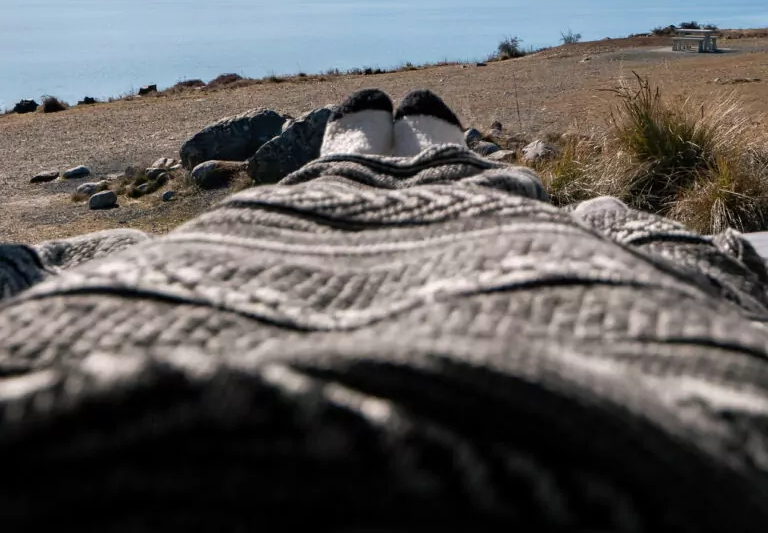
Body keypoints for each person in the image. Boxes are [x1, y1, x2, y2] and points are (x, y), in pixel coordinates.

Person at [2, 88, 768, 530]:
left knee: (288, 213)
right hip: (656, 403)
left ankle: (349, 169)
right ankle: (449, 164)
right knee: (508, 211)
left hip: (82, 372)